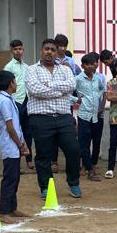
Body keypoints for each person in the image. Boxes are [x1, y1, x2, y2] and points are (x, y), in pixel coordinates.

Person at [25, 38, 83, 199]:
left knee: (73, 150)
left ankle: (74, 183)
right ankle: (46, 187)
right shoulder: (32, 70)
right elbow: (36, 90)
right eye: (46, 49)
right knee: (44, 154)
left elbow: (71, 86)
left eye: (52, 49)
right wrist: (59, 90)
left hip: (64, 117)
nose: (49, 52)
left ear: (57, 52)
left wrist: (48, 86)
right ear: (41, 51)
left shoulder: (65, 69)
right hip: (41, 118)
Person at [0, 70, 30, 219]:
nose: (16, 84)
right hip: (9, 144)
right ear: (10, 83)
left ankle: (12, 208)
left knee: (15, 177)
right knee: (9, 178)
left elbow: (16, 125)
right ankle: (4, 211)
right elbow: (10, 127)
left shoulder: (9, 99)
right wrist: (20, 145)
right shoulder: (4, 101)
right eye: (14, 81)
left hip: (14, 144)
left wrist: (23, 143)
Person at [75, 53, 105, 181]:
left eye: (92, 64)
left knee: (97, 142)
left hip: (97, 115)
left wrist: (101, 108)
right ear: (82, 66)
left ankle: (92, 165)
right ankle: (89, 169)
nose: (90, 66)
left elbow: (103, 93)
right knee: (84, 143)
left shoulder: (98, 79)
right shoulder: (77, 79)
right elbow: (68, 94)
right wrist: (77, 100)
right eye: (87, 64)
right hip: (84, 115)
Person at [3, 39, 32, 170]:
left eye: (20, 49)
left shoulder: (27, 67)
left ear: (23, 50)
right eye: (15, 49)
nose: (18, 51)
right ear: (11, 51)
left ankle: (29, 160)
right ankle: (17, 162)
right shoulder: (9, 67)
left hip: (27, 101)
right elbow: (5, 86)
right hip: (15, 102)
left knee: (28, 131)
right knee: (15, 131)